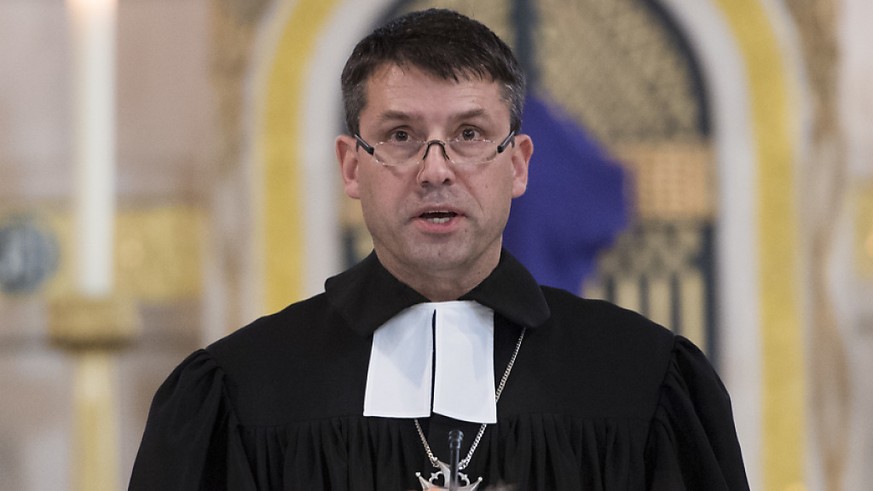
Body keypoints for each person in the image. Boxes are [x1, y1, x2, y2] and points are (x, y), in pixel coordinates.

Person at [129, 8, 749, 491]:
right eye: (400, 135)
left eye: (469, 133)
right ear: (351, 166)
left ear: (518, 165)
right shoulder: (242, 393)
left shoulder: (640, 381)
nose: (435, 170)